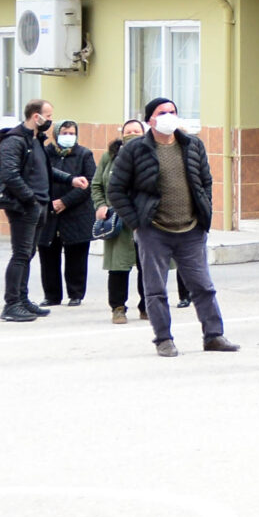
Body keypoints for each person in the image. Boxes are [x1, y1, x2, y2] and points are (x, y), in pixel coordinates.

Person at [108, 98, 235, 357]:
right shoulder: (135, 150)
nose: (168, 116)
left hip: (190, 229)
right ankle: (163, 339)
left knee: (203, 286)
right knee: (155, 289)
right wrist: (136, 222)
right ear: (150, 120)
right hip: (153, 230)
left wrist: (203, 212)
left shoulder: (192, 145)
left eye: (172, 112)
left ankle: (214, 336)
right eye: (162, 112)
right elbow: (116, 189)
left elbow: (205, 181)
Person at [0, 99, 52, 321]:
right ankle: (11, 304)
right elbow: (9, 175)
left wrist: (71, 179)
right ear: (36, 117)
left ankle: (23, 299)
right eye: (48, 115)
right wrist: (31, 200)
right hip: (24, 206)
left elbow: (44, 170)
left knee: (28, 254)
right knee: (20, 254)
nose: (50, 120)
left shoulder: (36, 140)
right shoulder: (14, 141)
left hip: (39, 204)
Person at [38, 118, 98, 309]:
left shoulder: (84, 154)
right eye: (64, 133)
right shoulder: (45, 153)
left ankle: (76, 293)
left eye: (72, 133)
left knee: (76, 256)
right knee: (48, 255)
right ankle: (51, 295)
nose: (68, 137)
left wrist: (65, 201)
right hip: (49, 211)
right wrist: (51, 203)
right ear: (56, 134)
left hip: (76, 213)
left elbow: (89, 183)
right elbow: (38, 177)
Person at [96, 120, 143, 324]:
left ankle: (148, 306)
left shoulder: (153, 154)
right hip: (117, 219)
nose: (132, 134)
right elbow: (96, 184)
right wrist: (100, 205)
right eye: (129, 131)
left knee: (149, 267)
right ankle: (118, 308)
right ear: (121, 134)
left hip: (144, 219)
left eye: (137, 131)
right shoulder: (110, 156)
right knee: (118, 267)